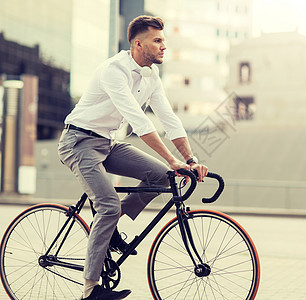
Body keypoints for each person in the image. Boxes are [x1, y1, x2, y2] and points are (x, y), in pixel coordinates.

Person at [58, 15, 208, 300]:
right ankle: (90, 290)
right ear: (138, 44)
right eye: (158, 40)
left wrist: (188, 160)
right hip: (78, 142)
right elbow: (138, 121)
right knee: (108, 206)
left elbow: (169, 119)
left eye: (164, 40)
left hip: (108, 143)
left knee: (161, 175)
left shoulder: (152, 76)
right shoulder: (115, 70)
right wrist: (172, 158)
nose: (164, 46)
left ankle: (111, 224)